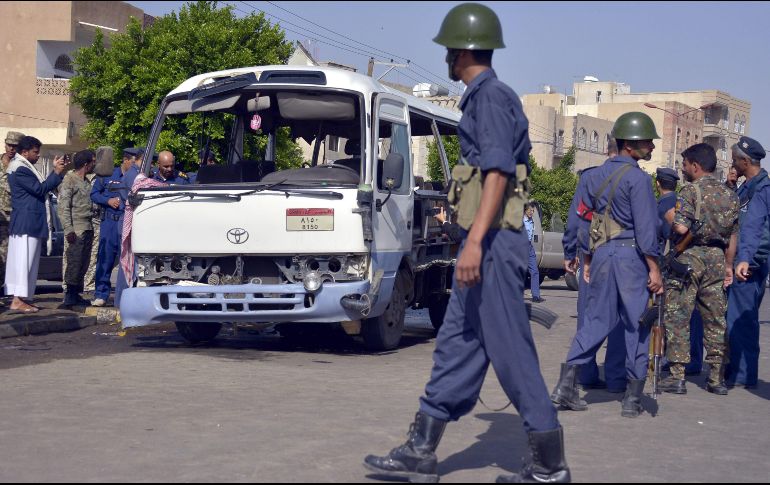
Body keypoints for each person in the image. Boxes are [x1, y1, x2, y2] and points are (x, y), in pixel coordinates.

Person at [364, 5, 570, 483]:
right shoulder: (480, 98)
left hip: (494, 244)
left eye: (448, 51)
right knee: (455, 345)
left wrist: (475, 242)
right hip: (482, 243)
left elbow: (497, 172)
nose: (446, 59)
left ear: (459, 52)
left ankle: (548, 465)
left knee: (512, 353)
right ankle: (421, 448)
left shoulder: (491, 98)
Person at [551, 112, 663, 419]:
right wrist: (654, 269)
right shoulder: (639, 179)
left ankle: (565, 387)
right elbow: (646, 230)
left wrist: (583, 255)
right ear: (630, 145)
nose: (651, 147)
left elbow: (586, 221)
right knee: (637, 324)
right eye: (646, 142)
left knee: (596, 321)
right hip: (631, 259)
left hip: (601, 255)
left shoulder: (592, 177)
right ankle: (632, 399)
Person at [658, 143, 739, 396]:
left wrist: (670, 219)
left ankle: (677, 375)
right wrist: (728, 265)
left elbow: (682, 229)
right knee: (715, 319)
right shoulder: (730, 195)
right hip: (717, 257)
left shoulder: (691, 190)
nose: (683, 170)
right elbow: (733, 236)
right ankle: (716, 378)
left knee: (678, 315)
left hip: (690, 258)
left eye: (684, 165)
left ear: (696, 166)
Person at [562, 139, 626, 393]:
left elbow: (575, 220)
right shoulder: (636, 179)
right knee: (619, 318)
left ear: (606, 151)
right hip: (624, 256)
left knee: (589, 316)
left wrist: (570, 252)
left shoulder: (590, 178)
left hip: (593, 253)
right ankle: (617, 378)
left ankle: (586, 373)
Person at [5, 136, 66, 313]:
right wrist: (56, 173)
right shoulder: (20, 168)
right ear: (24, 152)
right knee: (23, 261)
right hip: (26, 221)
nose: (38, 155)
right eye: (35, 152)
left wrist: (55, 173)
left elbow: (39, 187)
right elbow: (39, 189)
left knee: (29, 262)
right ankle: (17, 299)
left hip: (30, 221)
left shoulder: (24, 166)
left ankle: (22, 298)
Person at [726, 136, 768, 389]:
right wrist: (730, 187)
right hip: (741, 260)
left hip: (749, 264)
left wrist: (748, 260)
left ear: (745, 161)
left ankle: (743, 374)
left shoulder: (764, 188)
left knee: (744, 319)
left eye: (735, 160)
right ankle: (736, 370)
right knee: (735, 318)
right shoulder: (746, 186)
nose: (732, 163)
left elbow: (763, 231)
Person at [656, 167, 704, 377]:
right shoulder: (684, 199)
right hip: (690, 261)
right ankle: (694, 359)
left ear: (658, 184)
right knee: (693, 313)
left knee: (672, 314)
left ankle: (674, 359)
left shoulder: (661, 205)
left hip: (670, 262)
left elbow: (669, 232)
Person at [90, 147, 141, 307]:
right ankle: (101, 294)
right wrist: (108, 201)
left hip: (127, 221)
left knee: (128, 260)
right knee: (105, 258)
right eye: (132, 163)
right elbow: (94, 194)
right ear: (125, 160)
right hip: (110, 222)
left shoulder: (138, 177)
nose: (134, 167)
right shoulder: (107, 174)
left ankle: (126, 297)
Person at [57, 149, 96, 306]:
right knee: (73, 262)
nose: (95, 164)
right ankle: (69, 295)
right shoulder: (70, 180)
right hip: (76, 229)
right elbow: (63, 207)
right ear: (86, 164)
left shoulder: (86, 181)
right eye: (93, 161)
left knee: (83, 262)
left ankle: (76, 293)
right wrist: (68, 229)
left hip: (87, 226)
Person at [0, 131, 23, 302]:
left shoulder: (20, 167)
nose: (11, 149)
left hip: (11, 219)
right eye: (9, 145)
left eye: (15, 147)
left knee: (5, 257)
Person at [523, 203, 545, 303]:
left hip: (529, 247)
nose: (532, 212)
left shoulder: (532, 221)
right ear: (525, 210)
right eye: (530, 210)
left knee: (535, 271)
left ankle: (536, 296)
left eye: (533, 211)